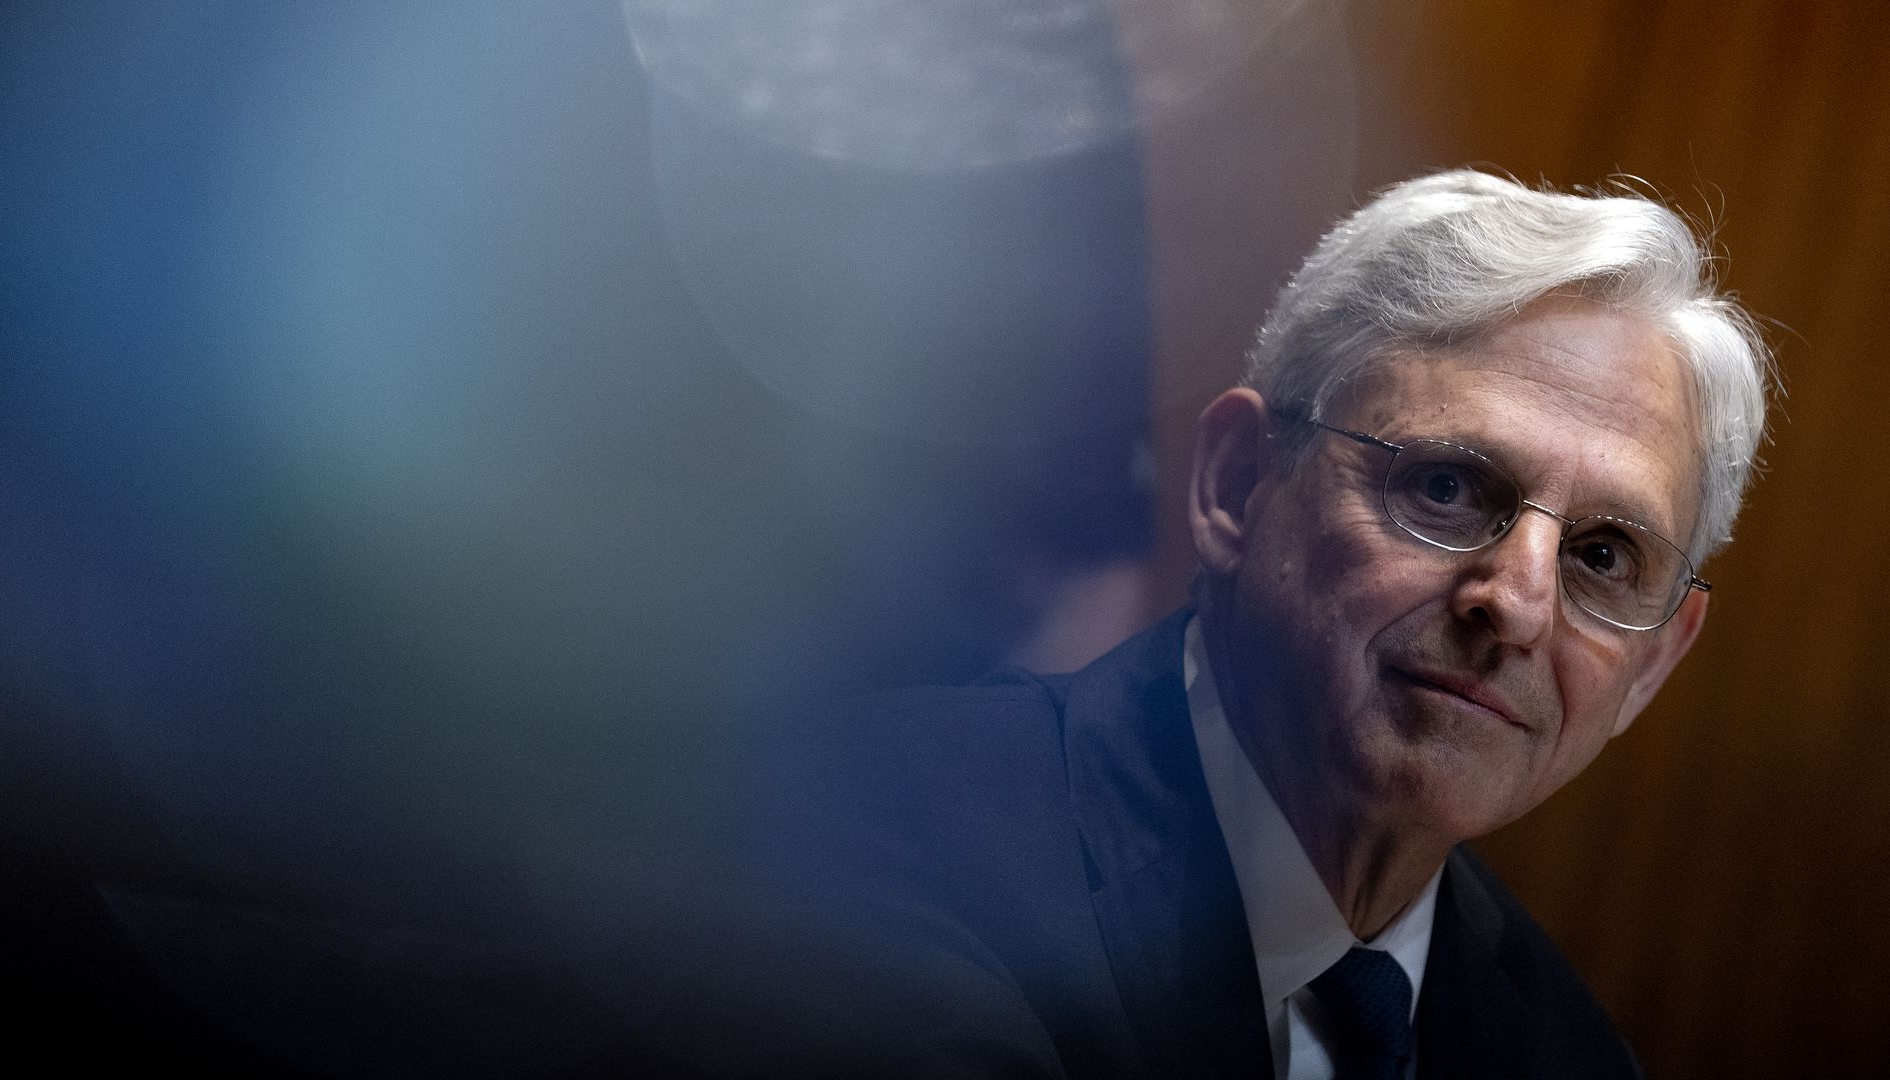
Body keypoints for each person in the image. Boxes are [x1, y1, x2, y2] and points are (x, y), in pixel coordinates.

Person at [632, 168, 1771, 1080]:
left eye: (1605, 556)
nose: (1515, 603)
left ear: (1654, 667)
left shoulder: (1569, 1053)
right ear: (1235, 485)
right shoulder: (881, 837)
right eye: (1446, 489)